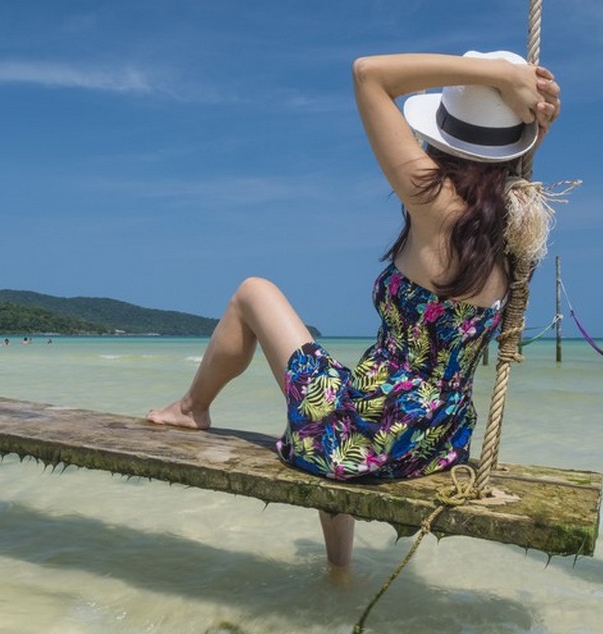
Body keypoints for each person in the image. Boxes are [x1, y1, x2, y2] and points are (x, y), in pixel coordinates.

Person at [148, 50, 561, 571]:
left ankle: (191, 409)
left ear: (446, 138)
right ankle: (339, 569)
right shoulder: (512, 224)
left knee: (253, 292)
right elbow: (512, 160)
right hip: (436, 438)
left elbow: (369, 74)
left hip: (368, 432)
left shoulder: (435, 202)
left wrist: (496, 76)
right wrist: (534, 122)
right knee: (343, 389)